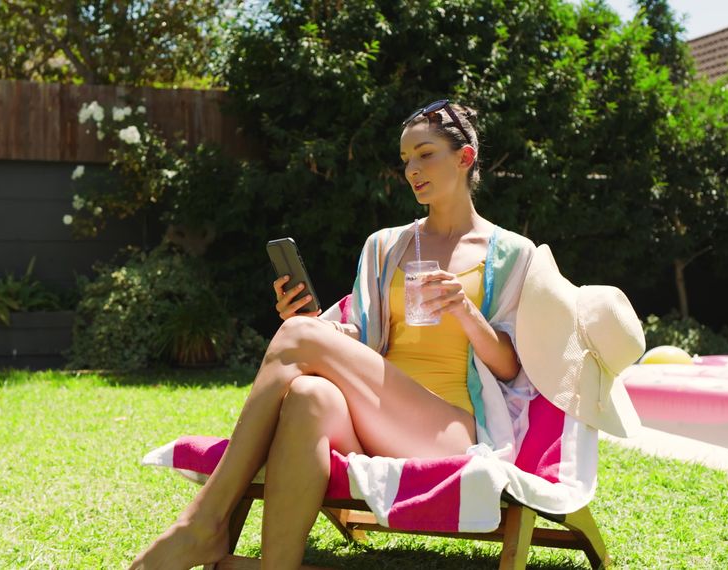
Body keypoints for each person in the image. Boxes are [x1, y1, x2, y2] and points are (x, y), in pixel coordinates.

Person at [129, 100, 539, 570]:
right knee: (308, 395)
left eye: (425, 154)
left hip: (450, 430)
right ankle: (276, 565)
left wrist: (465, 310)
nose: (412, 170)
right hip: (373, 419)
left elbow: (511, 368)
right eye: (406, 160)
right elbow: (360, 340)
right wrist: (313, 322)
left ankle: (203, 524)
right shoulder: (385, 246)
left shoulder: (511, 253)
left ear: (464, 158)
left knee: (301, 338)